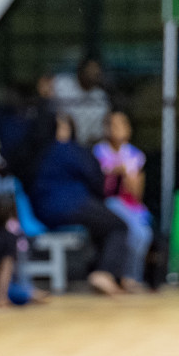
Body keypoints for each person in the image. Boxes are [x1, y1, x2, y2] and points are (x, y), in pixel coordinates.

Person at [31, 113, 127, 296]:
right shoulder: (73, 151)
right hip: (73, 205)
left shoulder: (38, 151)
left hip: (41, 212)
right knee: (119, 226)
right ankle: (103, 273)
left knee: (102, 225)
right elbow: (97, 182)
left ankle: (98, 273)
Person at [93, 109, 152, 291]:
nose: (117, 129)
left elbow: (136, 195)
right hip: (107, 202)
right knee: (130, 229)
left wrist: (131, 177)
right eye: (113, 125)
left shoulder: (135, 155)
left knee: (143, 233)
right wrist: (115, 171)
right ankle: (117, 276)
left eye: (122, 124)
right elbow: (100, 185)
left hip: (130, 205)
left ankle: (131, 277)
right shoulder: (98, 151)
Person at [51, 56, 111, 147]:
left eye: (96, 71)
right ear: (81, 71)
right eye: (90, 70)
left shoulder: (100, 97)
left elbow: (102, 132)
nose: (94, 73)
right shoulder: (61, 84)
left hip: (89, 147)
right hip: (60, 142)